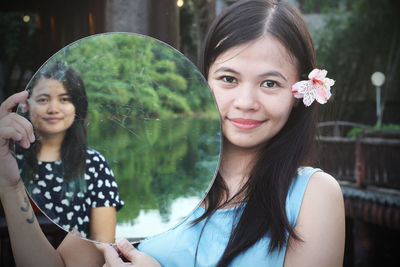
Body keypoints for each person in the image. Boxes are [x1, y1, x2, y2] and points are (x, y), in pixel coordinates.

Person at [0, 0, 344, 266]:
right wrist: (11, 187)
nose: (245, 102)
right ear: (202, 80)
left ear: (299, 94)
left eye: (270, 83)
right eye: (228, 79)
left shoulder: (313, 195)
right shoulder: (146, 179)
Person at [9, 61, 124, 243]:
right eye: (43, 99)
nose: (53, 109)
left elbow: (103, 243)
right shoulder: (8, 160)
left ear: (76, 106)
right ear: (27, 106)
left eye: (64, 99)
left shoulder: (94, 164)